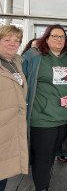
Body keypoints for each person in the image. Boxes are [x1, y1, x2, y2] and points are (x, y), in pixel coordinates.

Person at [22, 24, 67, 191]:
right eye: (54, 36)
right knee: (43, 156)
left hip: (64, 117)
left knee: (53, 154)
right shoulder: (34, 57)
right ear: (46, 38)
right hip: (41, 117)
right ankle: (42, 188)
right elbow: (21, 81)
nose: (59, 39)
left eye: (62, 37)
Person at [0, 25, 28, 191]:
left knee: (4, 172)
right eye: (7, 39)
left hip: (11, 128)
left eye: (17, 40)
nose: (13, 43)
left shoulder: (15, 62)